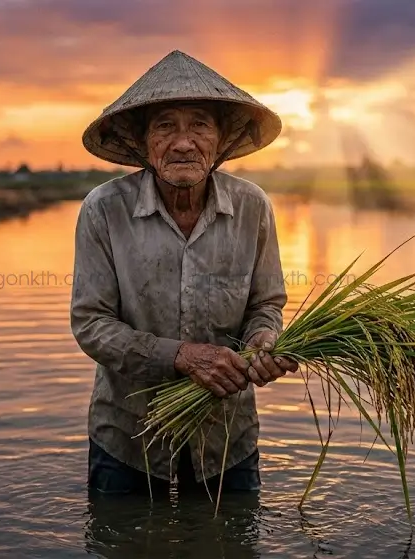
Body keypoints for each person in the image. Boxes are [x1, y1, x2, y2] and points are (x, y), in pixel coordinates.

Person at [71, 49, 299, 497]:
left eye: (199, 124)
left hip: (225, 435)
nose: (183, 142)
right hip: (129, 435)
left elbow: (265, 306)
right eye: (165, 126)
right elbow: (91, 324)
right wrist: (182, 356)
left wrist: (263, 341)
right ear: (142, 142)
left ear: (220, 140)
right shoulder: (104, 210)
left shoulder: (252, 207)